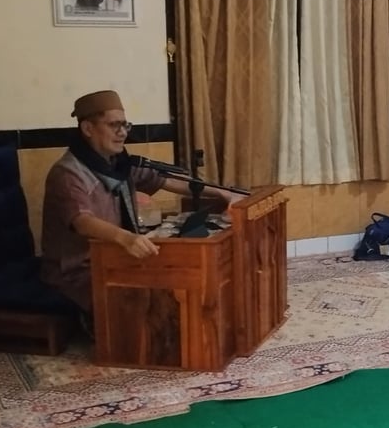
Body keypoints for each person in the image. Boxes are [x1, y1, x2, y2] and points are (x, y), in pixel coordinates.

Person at [41, 90, 242, 317]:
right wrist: (126, 238)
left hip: (115, 258)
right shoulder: (68, 173)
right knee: (152, 300)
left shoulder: (118, 163)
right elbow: (82, 221)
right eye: (114, 125)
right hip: (77, 272)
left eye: (125, 125)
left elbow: (167, 180)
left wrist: (223, 194)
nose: (122, 133)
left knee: (183, 278)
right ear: (88, 128)